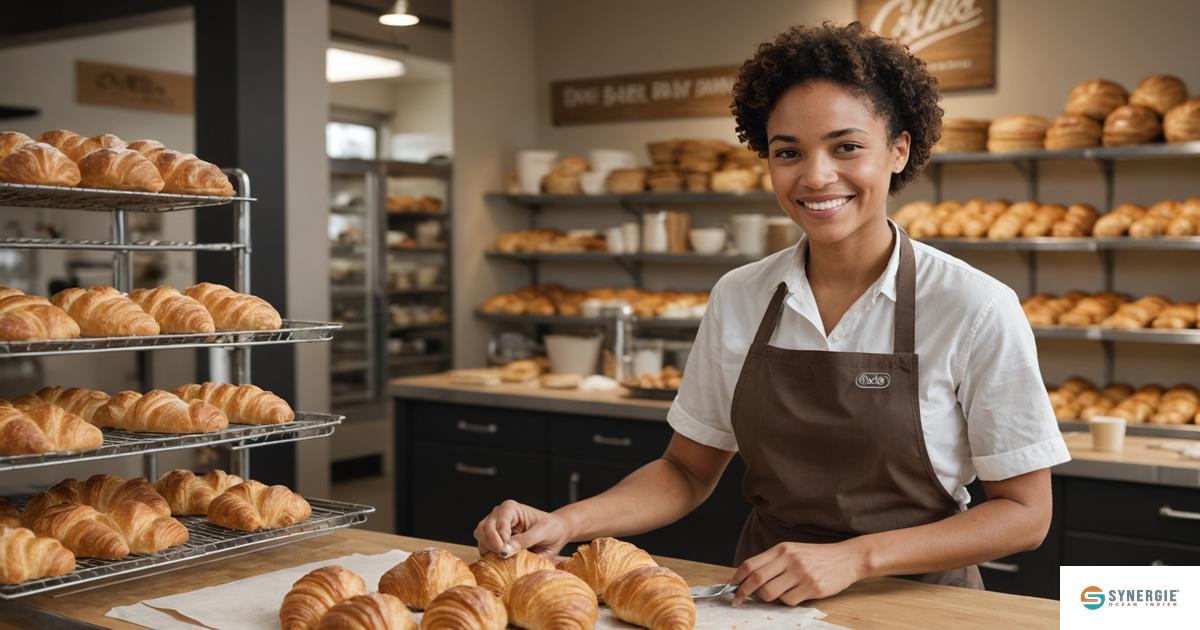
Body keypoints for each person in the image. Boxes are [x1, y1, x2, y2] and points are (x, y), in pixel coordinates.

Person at [474, 21, 1070, 607]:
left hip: (921, 606)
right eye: (789, 152)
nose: (815, 176)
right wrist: (565, 522)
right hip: (767, 603)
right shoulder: (740, 296)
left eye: (847, 147)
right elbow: (685, 470)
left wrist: (855, 557)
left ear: (898, 149)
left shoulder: (973, 305)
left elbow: (1025, 514)